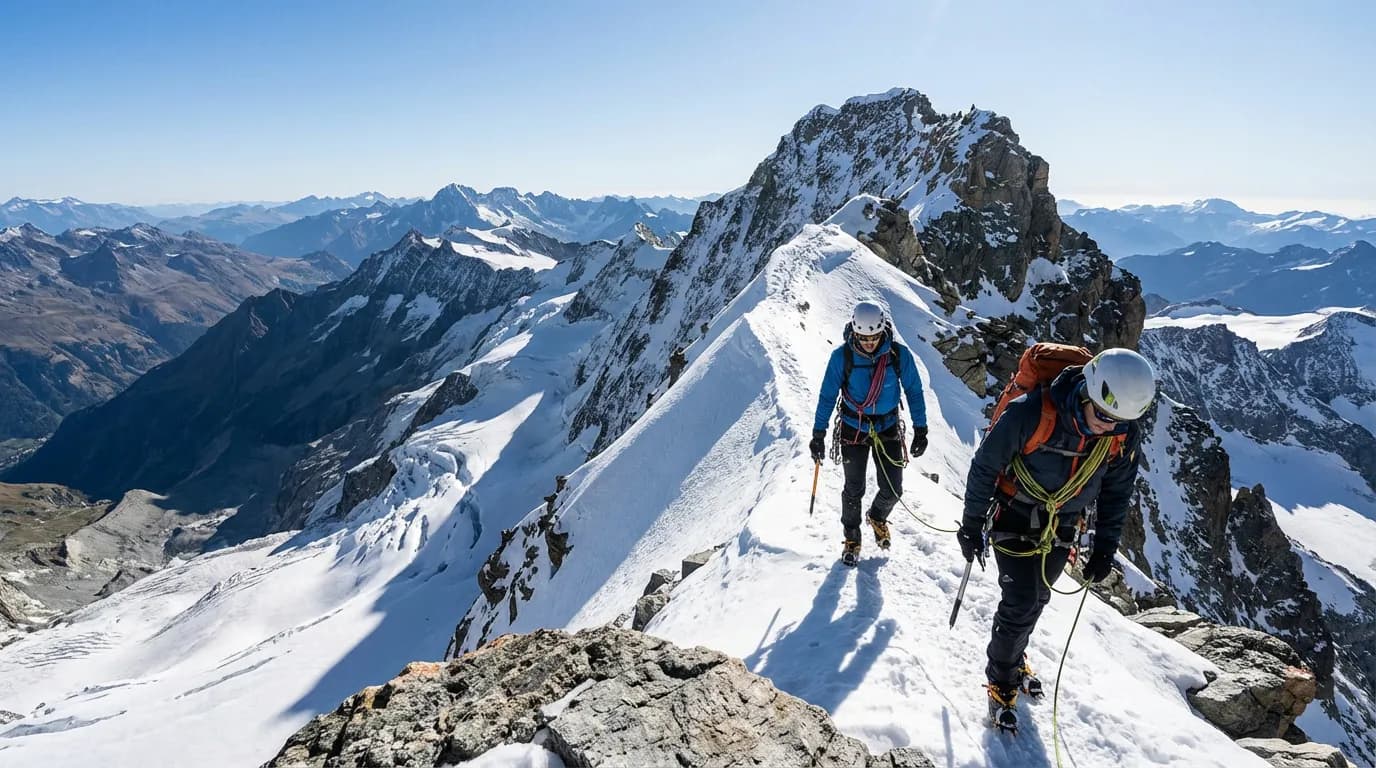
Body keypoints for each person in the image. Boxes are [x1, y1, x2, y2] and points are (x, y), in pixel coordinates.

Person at [957, 347, 1156, 733]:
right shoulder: (1030, 412)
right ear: (1089, 391)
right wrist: (971, 524)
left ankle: (1014, 657)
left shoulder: (1121, 433)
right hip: (1013, 515)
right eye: (1103, 416)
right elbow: (985, 467)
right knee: (1020, 602)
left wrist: (1104, 549)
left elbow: (1116, 494)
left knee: (1040, 598)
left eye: (1118, 422)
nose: (1107, 427)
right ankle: (1001, 682)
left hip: (1062, 526)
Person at [810, 301, 928, 566]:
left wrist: (921, 428)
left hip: (887, 427)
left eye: (874, 337)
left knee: (893, 489)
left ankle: (877, 516)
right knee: (854, 488)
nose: (869, 343)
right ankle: (852, 538)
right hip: (854, 428)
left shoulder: (898, 356)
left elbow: (914, 391)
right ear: (854, 332)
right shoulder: (842, 357)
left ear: (883, 330)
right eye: (863, 338)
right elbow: (827, 396)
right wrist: (818, 433)